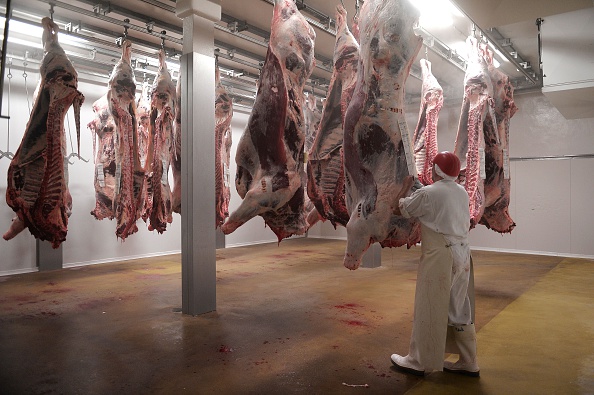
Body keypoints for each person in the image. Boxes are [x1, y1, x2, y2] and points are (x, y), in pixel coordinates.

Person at [390, 151, 480, 377]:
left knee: (428, 304)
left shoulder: (430, 193)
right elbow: (436, 203)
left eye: (433, 167)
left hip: (441, 256)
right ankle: (469, 361)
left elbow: (400, 208)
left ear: (437, 170)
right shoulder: (461, 192)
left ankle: (417, 360)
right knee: (459, 307)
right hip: (463, 255)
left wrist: (404, 187)